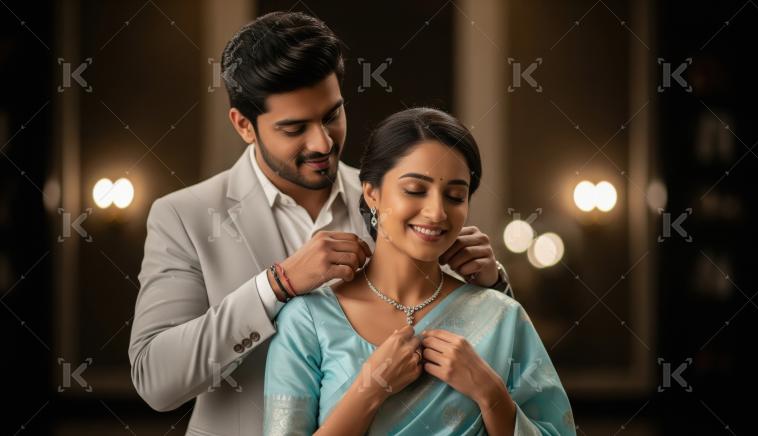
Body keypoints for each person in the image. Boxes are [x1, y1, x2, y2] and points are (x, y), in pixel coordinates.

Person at [129, 12, 514, 436]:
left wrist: (493, 286)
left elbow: (480, 339)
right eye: (294, 128)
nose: (322, 143)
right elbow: (156, 382)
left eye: (332, 115)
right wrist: (276, 285)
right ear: (244, 125)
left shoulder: (395, 200)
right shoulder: (183, 216)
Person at [263, 108, 575, 435]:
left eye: (455, 195)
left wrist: (490, 393)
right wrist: (370, 391)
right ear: (371, 193)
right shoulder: (308, 319)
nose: (437, 212)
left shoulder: (500, 316)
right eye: (415, 190)